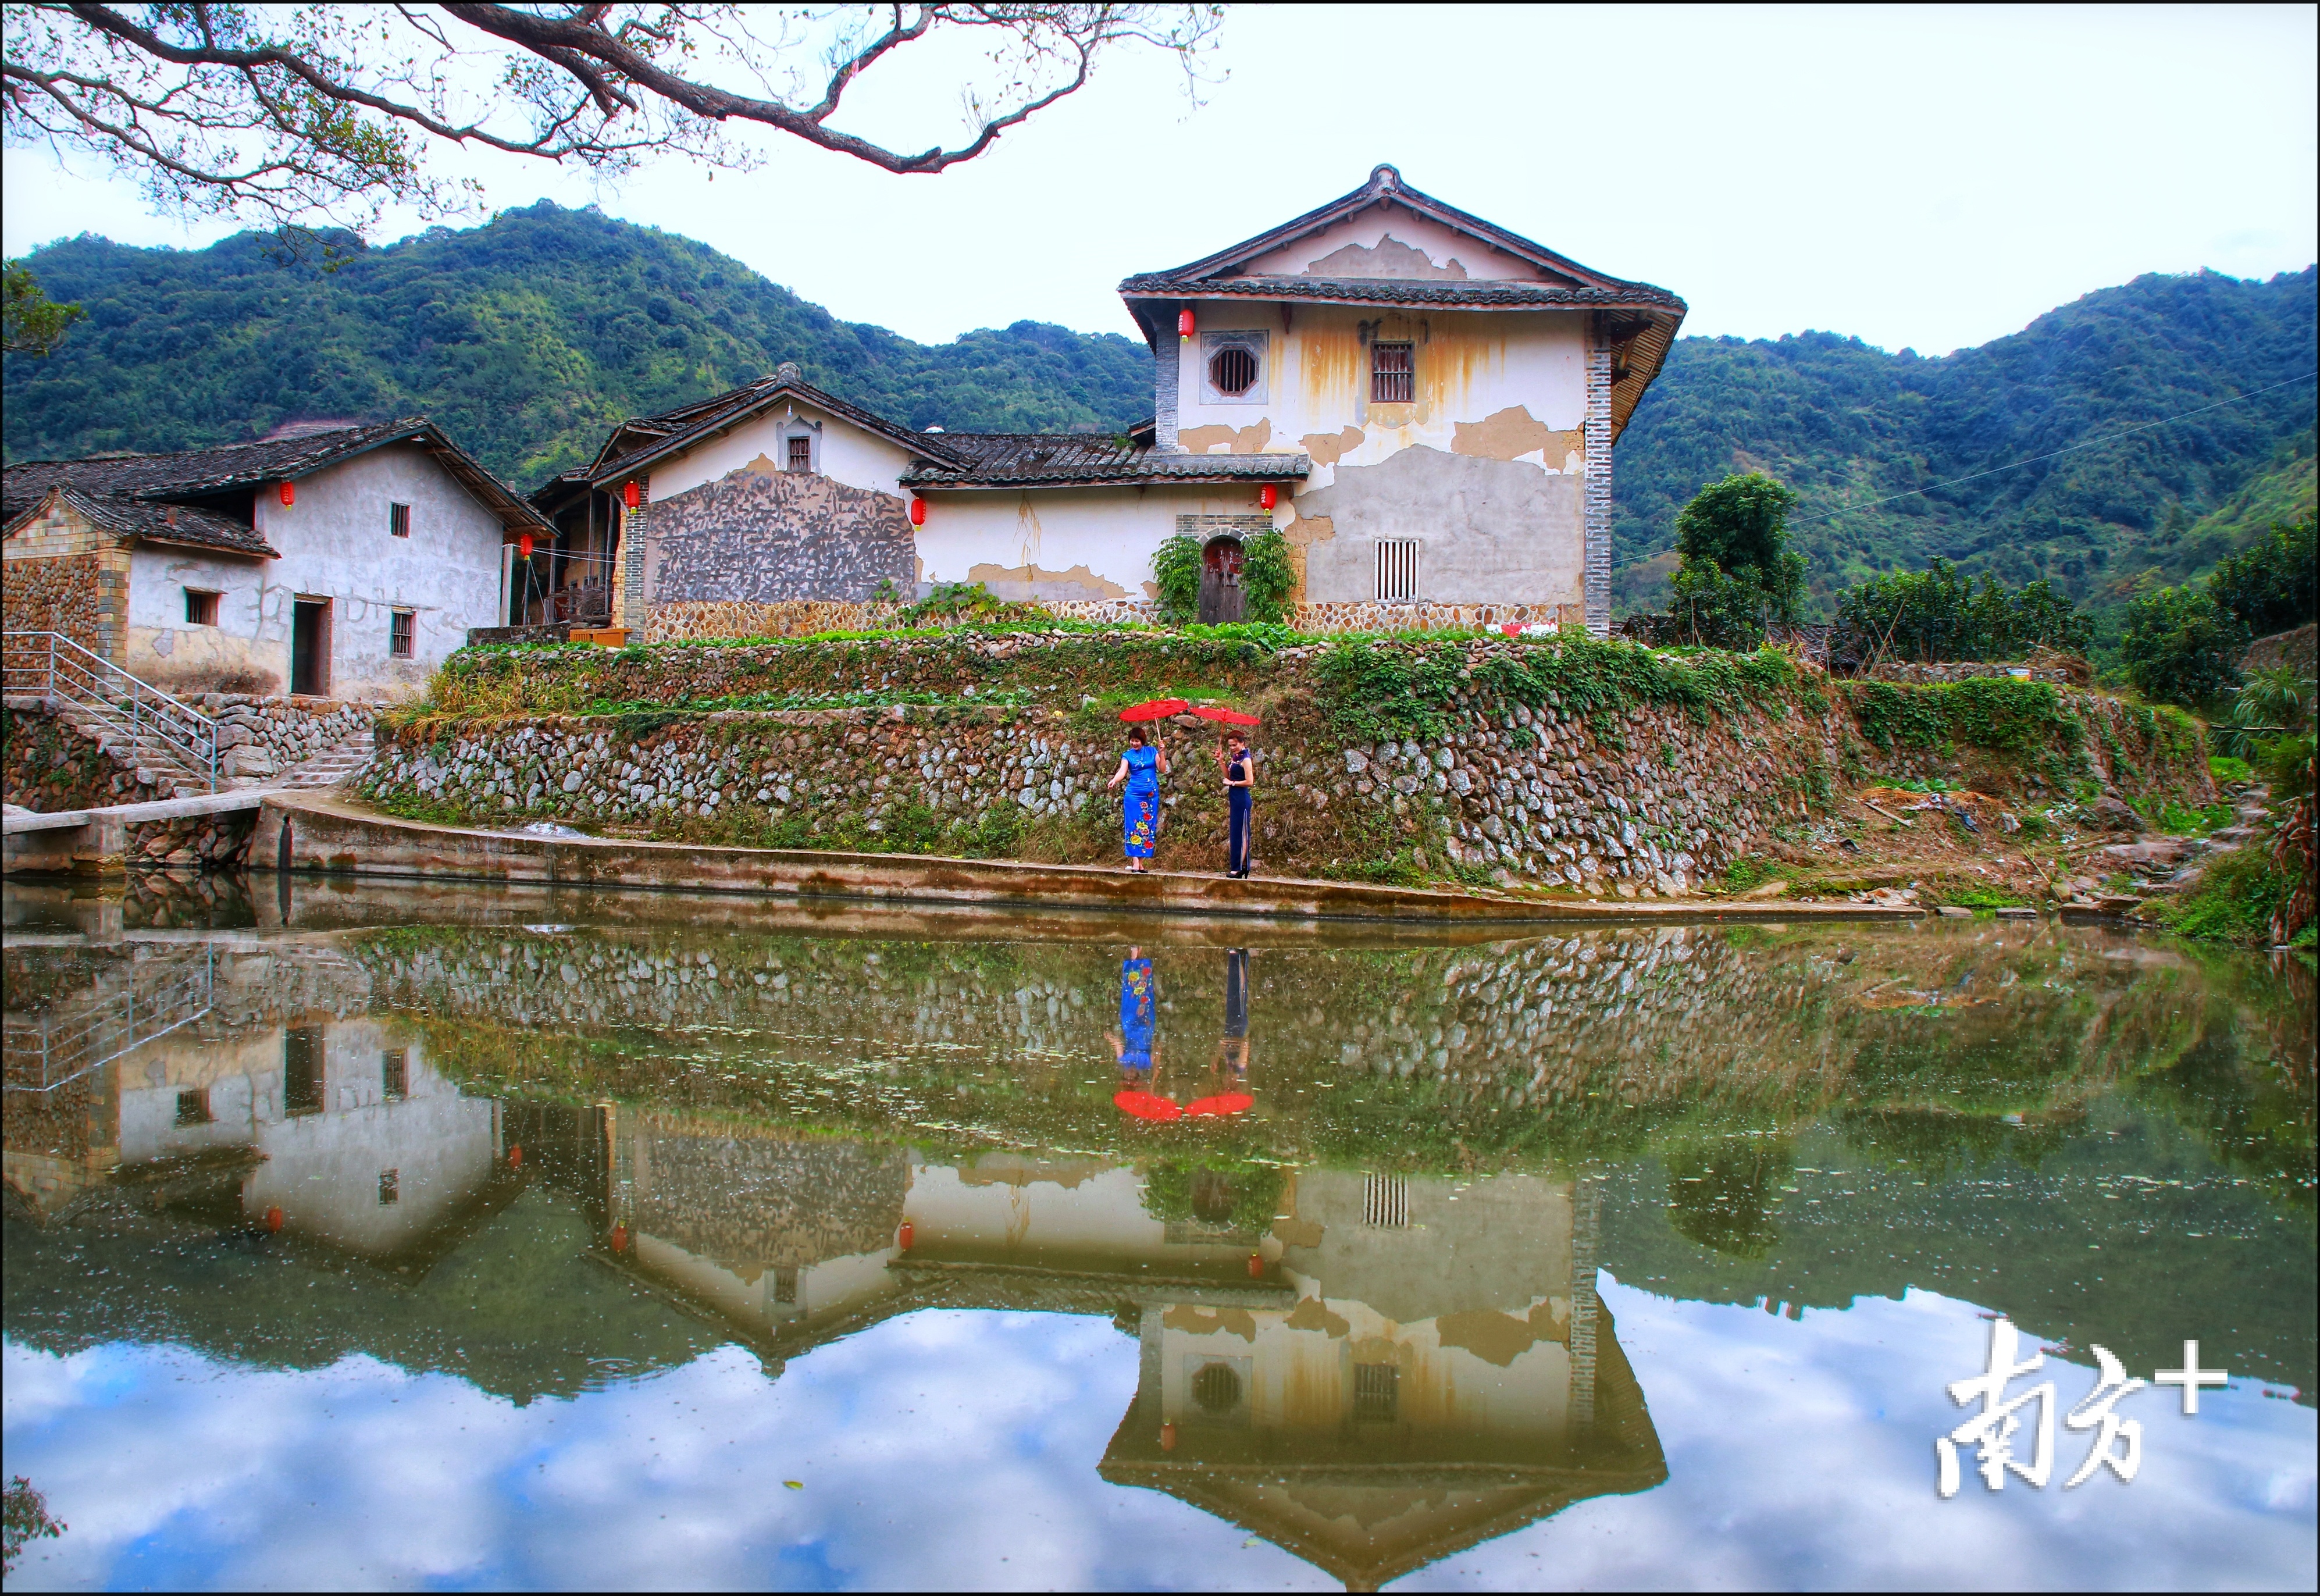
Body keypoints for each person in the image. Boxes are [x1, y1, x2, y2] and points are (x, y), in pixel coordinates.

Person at [1107, 725, 1168, 871]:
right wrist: (1115, 780)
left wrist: (1162, 753)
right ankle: (1135, 862)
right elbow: (1123, 771)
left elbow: (1163, 769)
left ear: (1143, 741)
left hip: (1150, 796)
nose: (1134, 744)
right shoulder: (1127, 756)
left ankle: (1141, 863)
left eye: (1137, 741)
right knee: (1133, 827)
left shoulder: (1152, 752)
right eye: (1132, 741)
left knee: (1147, 827)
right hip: (1133, 796)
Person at [1221, 732, 1255, 878]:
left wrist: (1233, 783)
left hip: (1242, 799)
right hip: (1235, 800)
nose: (1233, 748)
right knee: (1235, 833)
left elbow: (1250, 781)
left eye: (1235, 745)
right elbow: (1227, 776)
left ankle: (1239, 867)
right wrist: (1221, 761)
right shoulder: (1236, 759)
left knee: (1241, 833)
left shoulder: (1246, 759)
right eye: (1230, 746)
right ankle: (1241, 866)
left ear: (1242, 743)